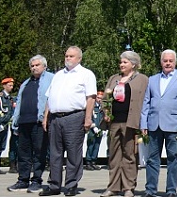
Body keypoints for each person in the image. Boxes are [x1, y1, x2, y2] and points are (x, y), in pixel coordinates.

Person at [41, 46, 97, 197]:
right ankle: (54, 185)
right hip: (55, 117)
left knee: (73, 153)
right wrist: (45, 117)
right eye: (66, 56)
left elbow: (90, 97)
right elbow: (49, 97)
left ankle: (71, 184)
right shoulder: (58, 75)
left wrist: (88, 117)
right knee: (55, 153)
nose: (68, 58)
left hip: (74, 116)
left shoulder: (86, 74)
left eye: (71, 56)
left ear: (79, 58)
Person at [140, 49, 177, 197]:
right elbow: (146, 102)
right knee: (152, 159)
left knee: (173, 159)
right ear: (161, 62)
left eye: (170, 61)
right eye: (165, 60)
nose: (167, 63)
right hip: (154, 124)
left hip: (174, 125)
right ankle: (150, 190)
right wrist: (143, 123)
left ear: (175, 62)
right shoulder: (152, 79)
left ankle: (171, 190)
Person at [101, 51, 149, 197]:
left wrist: (143, 123)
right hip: (114, 122)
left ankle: (128, 187)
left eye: (125, 62)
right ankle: (113, 187)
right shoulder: (114, 79)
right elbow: (105, 98)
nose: (121, 65)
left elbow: (147, 100)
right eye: (121, 62)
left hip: (131, 123)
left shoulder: (142, 79)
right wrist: (106, 112)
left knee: (129, 155)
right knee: (114, 155)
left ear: (133, 64)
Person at [8, 56, 54, 192]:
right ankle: (23, 179)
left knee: (39, 152)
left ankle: (37, 180)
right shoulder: (26, 83)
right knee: (23, 153)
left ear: (44, 66)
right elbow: (19, 102)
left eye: (37, 65)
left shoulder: (51, 79)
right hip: (24, 122)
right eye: (32, 66)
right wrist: (15, 120)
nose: (34, 68)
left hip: (39, 122)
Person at [84, 91, 105, 170]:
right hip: (92, 129)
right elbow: (90, 117)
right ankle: (88, 162)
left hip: (100, 129)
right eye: (98, 98)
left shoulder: (102, 108)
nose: (99, 100)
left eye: (101, 98)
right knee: (91, 145)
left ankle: (94, 161)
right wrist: (93, 126)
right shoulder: (92, 107)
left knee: (97, 145)